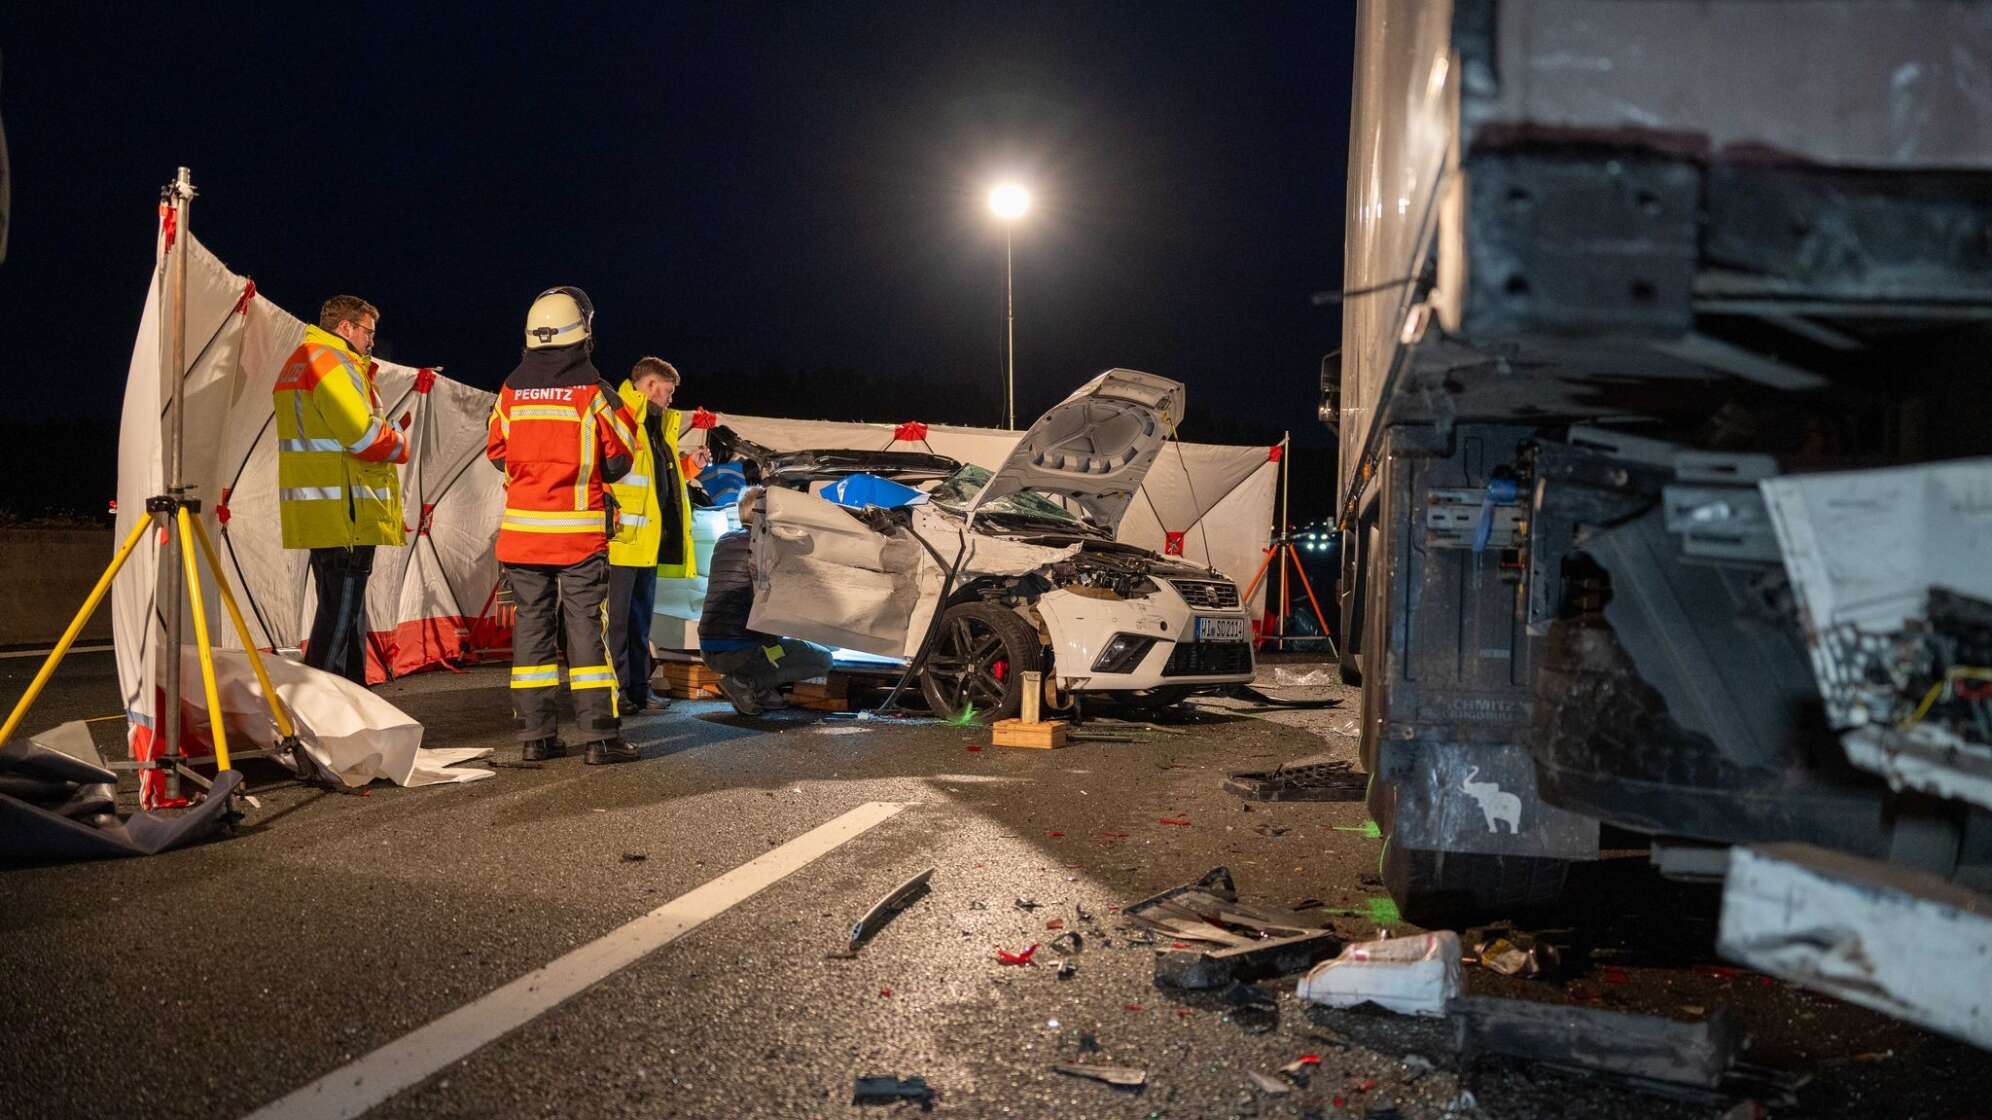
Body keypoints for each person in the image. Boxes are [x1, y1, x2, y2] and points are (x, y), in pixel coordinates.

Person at [486, 286, 641, 765]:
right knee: (585, 632)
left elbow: (496, 452)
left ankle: (536, 738)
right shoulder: (595, 394)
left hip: (522, 538)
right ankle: (599, 739)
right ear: (583, 333)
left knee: (531, 632)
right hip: (577, 539)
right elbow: (620, 458)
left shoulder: (511, 391)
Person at [273, 294, 409, 685]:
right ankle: (320, 703)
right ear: (346, 328)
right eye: (368, 331)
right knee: (339, 612)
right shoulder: (331, 362)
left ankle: (355, 695)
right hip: (347, 507)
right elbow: (363, 435)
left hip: (324, 508)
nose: (371, 340)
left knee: (344, 610)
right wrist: (399, 439)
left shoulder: (301, 359)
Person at [605, 357, 709, 712]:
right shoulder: (620, 418)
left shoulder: (655, 426)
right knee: (615, 627)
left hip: (645, 544)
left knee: (638, 624)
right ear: (649, 386)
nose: (669, 400)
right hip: (620, 544)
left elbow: (659, 478)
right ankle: (614, 693)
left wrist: (691, 465)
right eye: (666, 392)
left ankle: (638, 689)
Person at [698, 487, 834, 715]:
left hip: (708, 646)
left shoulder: (724, 541)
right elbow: (775, 603)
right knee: (823, 658)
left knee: (776, 646)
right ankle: (746, 684)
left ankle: (756, 689)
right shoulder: (766, 548)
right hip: (742, 649)